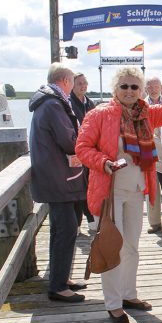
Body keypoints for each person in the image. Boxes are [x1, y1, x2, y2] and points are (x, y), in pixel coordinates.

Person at [76, 65, 162, 323]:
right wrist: (103, 162)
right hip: (109, 193)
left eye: (134, 87)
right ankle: (113, 304)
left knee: (131, 247)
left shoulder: (147, 114)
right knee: (112, 248)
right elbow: (82, 148)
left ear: (141, 90)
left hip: (136, 191)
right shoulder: (99, 115)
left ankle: (129, 295)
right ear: (114, 89)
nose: (129, 91)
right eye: (124, 86)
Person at [29, 62, 86, 302]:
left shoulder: (48, 102)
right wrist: (84, 142)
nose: (74, 85)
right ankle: (58, 286)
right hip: (59, 178)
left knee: (62, 230)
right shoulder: (53, 104)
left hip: (56, 176)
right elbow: (68, 140)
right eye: (73, 81)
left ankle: (61, 277)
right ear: (65, 81)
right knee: (66, 230)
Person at [69, 72, 96, 233]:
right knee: (77, 188)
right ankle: (77, 224)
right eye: (79, 83)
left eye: (85, 83)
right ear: (72, 85)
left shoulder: (89, 103)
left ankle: (91, 219)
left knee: (90, 186)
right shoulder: (69, 104)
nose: (83, 86)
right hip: (76, 152)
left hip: (90, 152)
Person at [144, 76, 162, 234]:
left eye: (156, 86)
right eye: (150, 86)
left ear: (161, 87)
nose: (153, 89)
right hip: (148, 152)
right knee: (151, 188)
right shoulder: (141, 105)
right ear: (145, 88)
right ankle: (155, 222)